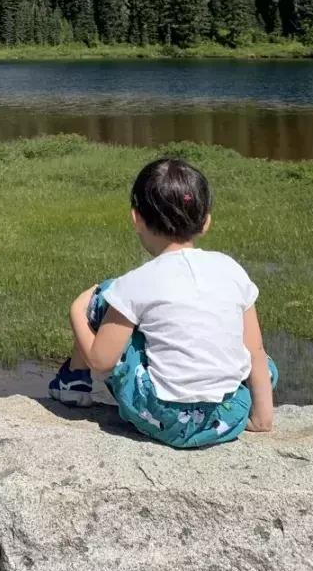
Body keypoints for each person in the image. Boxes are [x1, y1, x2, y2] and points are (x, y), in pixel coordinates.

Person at [48, 156, 276, 449]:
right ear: (206, 221)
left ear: (136, 218)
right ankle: (251, 408)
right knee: (263, 364)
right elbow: (254, 350)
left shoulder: (135, 282)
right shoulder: (232, 270)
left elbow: (101, 361)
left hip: (160, 417)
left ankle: (74, 381)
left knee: (103, 296)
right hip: (228, 416)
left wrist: (77, 310)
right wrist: (261, 418)